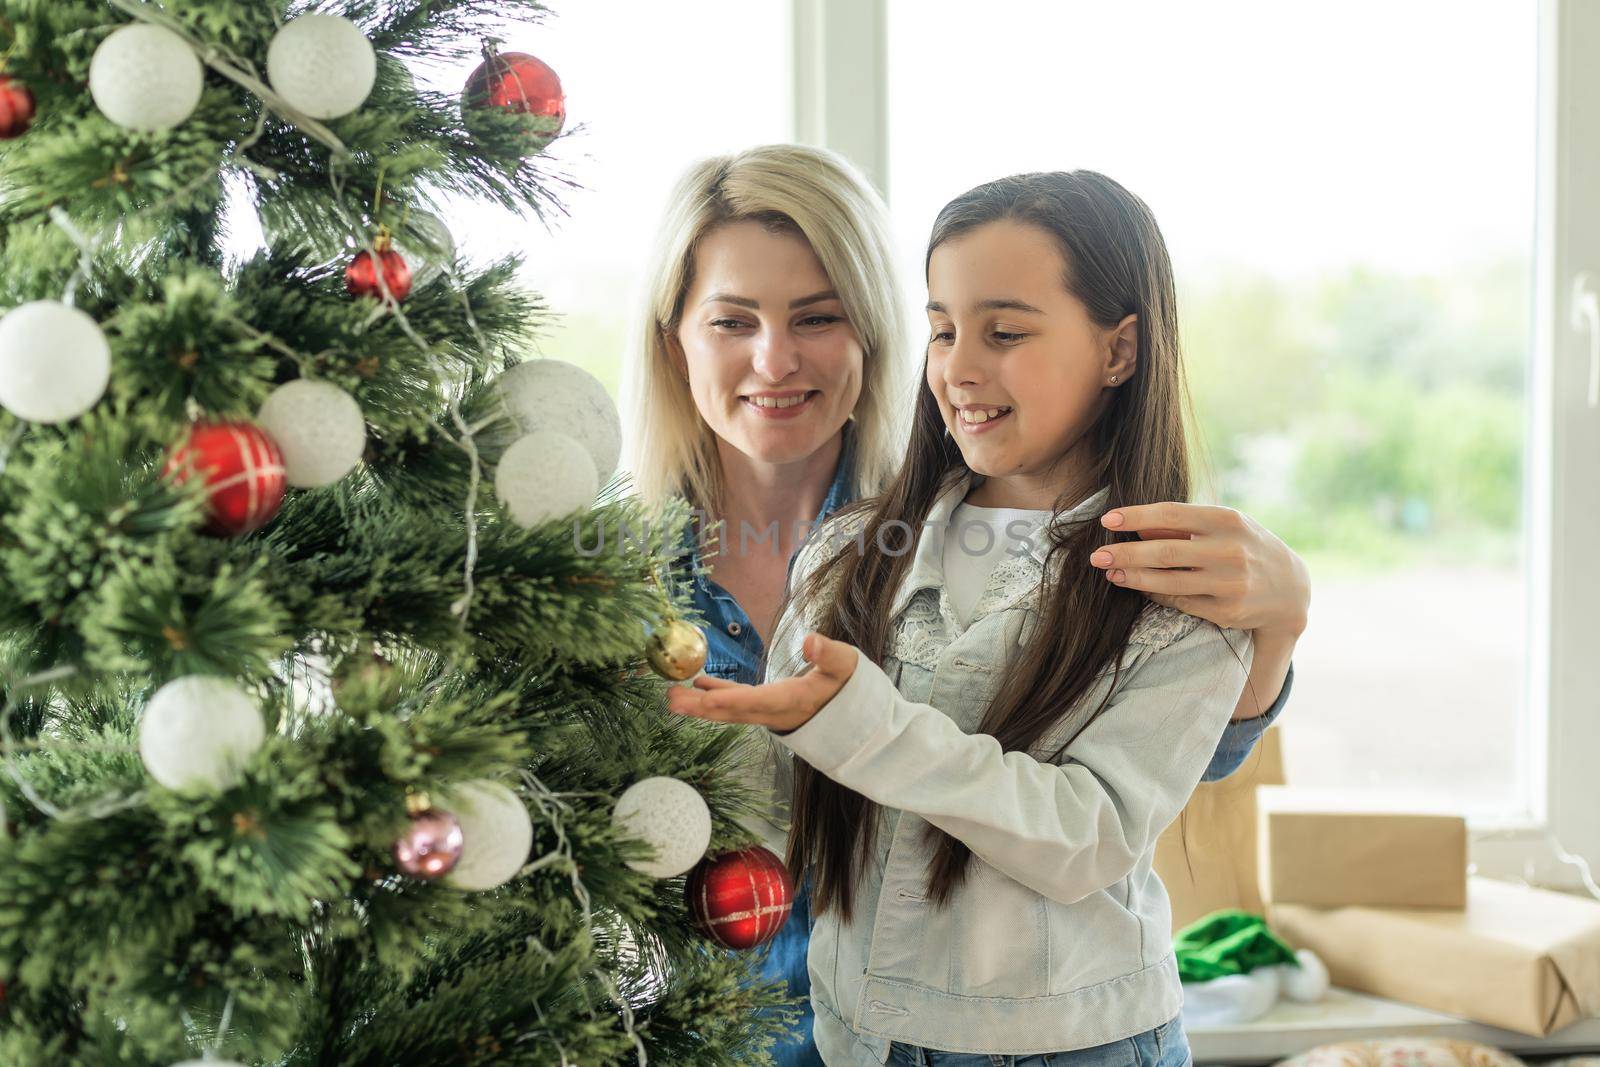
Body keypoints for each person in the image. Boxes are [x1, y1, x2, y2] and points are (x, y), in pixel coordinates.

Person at [629, 152, 1308, 1067]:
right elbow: (766, 801)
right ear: (674, 338)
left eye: (1006, 331)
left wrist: (1277, 631)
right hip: (822, 1033)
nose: (775, 358)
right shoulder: (817, 557)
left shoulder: (1175, 573)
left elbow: (1127, 801)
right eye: (946, 330)